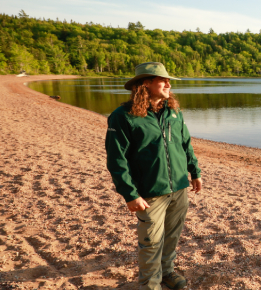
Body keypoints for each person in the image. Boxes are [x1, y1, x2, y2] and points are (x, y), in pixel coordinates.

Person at [105, 62, 202, 290]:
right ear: (145, 83)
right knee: (151, 242)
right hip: (150, 193)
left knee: (171, 236)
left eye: (168, 80)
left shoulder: (174, 112)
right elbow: (116, 160)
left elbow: (185, 144)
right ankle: (150, 285)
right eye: (162, 80)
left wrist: (194, 172)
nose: (168, 84)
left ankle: (167, 271)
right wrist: (130, 194)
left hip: (178, 188)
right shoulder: (123, 116)